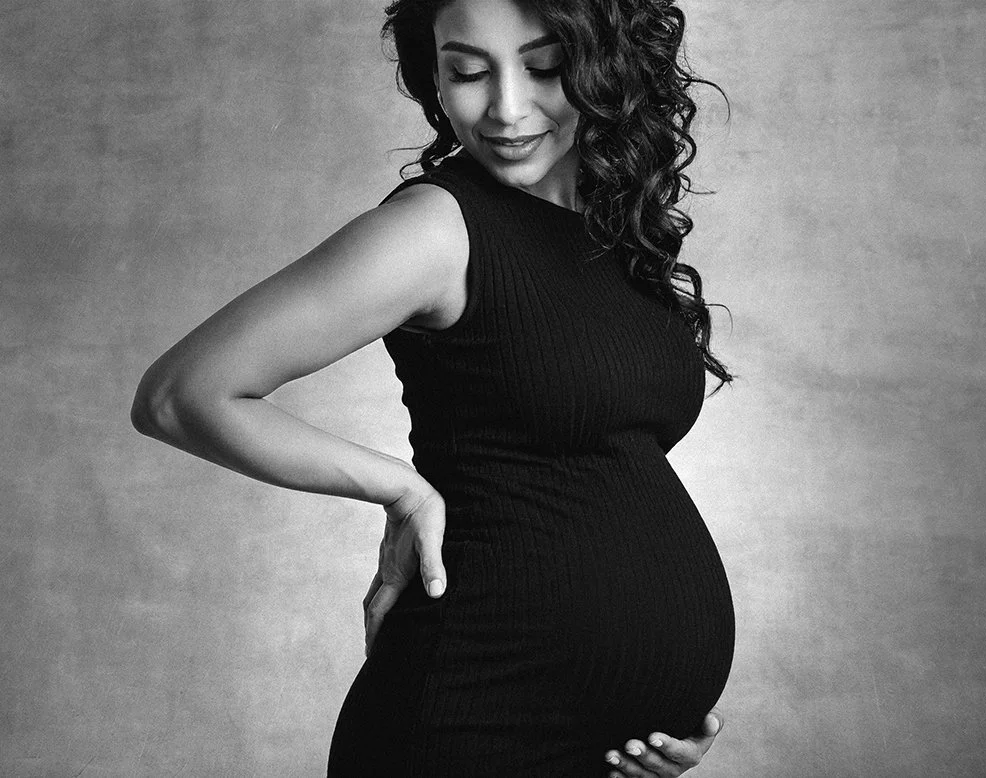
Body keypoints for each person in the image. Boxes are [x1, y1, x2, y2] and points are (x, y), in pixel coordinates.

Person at [131, 0, 736, 774]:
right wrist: (402, 492)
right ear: (434, 79)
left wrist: (654, 706)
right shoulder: (435, 228)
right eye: (467, 71)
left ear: (607, 67)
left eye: (546, 67)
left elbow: (605, 479)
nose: (508, 107)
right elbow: (181, 394)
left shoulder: (611, 231)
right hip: (467, 723)